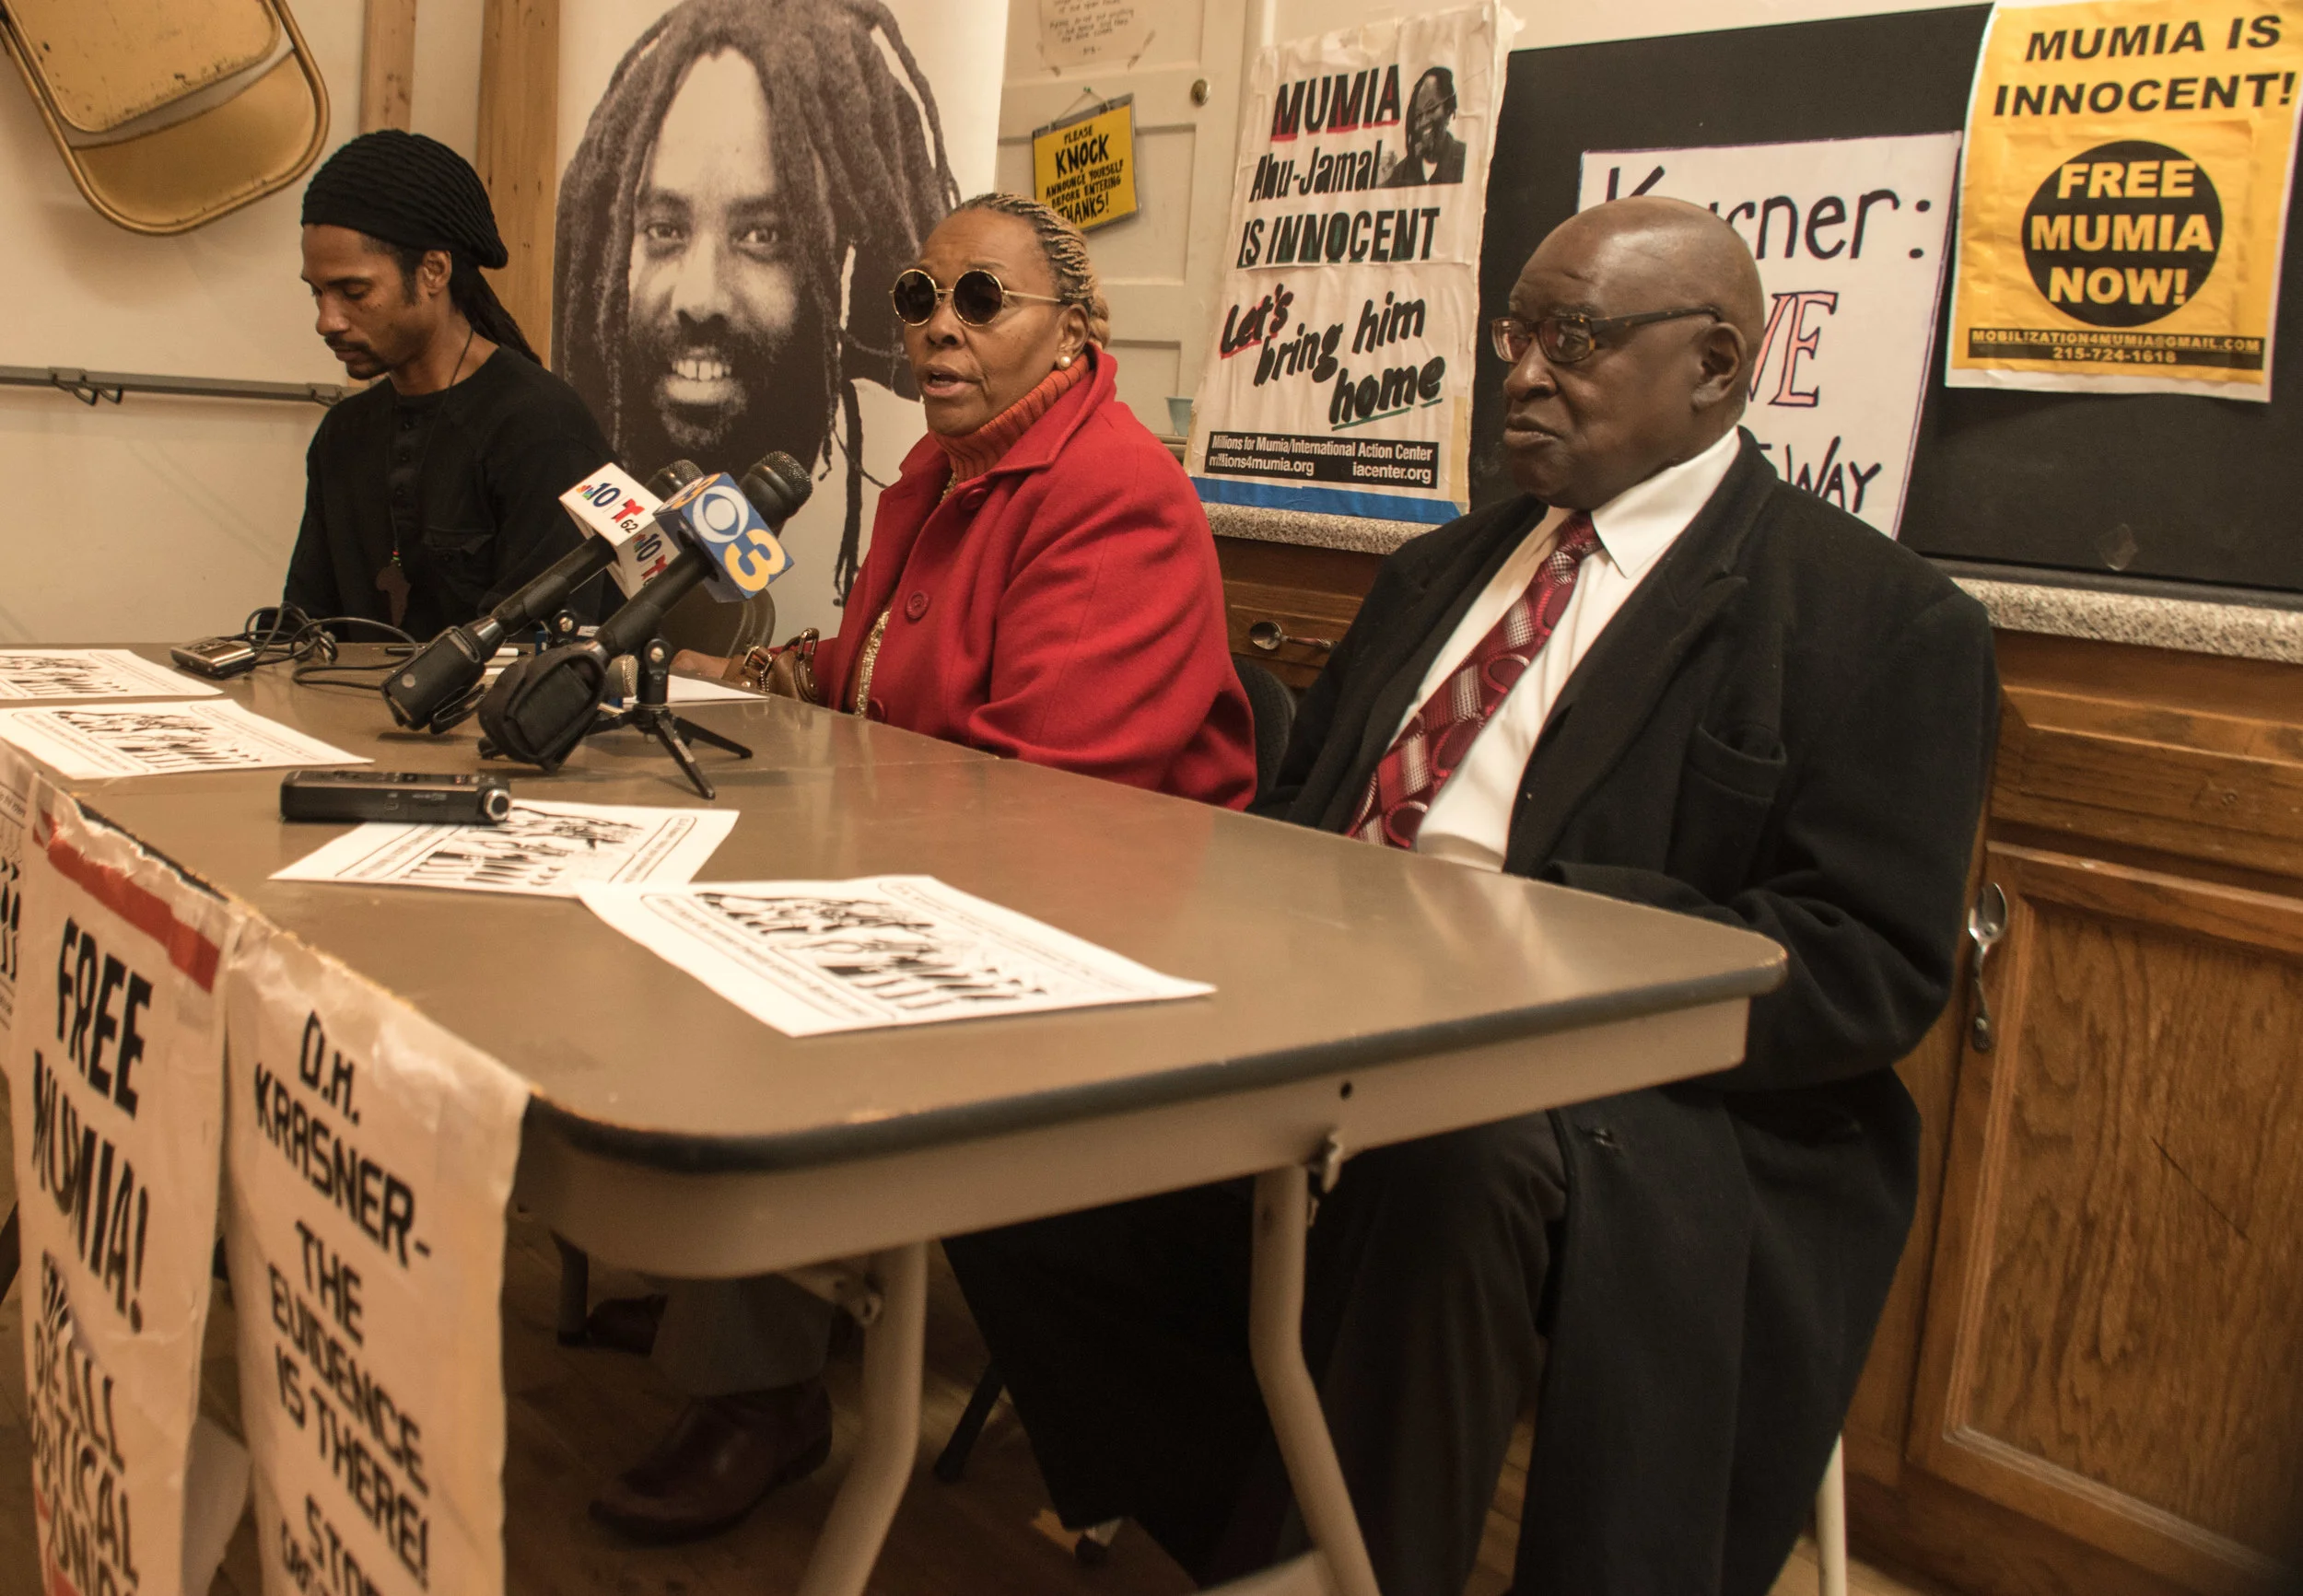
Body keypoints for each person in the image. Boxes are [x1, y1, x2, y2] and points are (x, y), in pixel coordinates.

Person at [943, 196, 2000, 1595]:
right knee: (1007, 1101)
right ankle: (1254, 1524)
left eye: (1574, 336)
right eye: (1515, 331)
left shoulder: (1879, 623)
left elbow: (1868, 966)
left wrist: (1523, 936)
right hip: (1326, 1010)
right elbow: (1300, 819)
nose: (1520, 369)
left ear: (1718, 367)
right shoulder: (1442, 567)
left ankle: (1344, 1564)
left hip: (1633, 1092)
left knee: (1449, 1153)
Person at [587, 192, 1257, 1545]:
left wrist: (821, 801)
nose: (937, 329)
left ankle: (761, 1385)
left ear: (1072, 334)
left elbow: (1038, 787)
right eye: (916, 298)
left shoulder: (1117, 493)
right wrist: (721, 675)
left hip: (1098, 926)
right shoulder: (933, 477)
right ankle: (744, 1293)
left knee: (760, 995)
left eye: (979, 302)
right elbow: (870, 680)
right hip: (949, 869)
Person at [555, 0, 959, 642]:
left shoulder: (926, 469)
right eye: (663, 228)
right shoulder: (566, 454)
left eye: (763, 234)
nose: (700, 295)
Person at [286, 131, 611, 639]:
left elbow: (540, 658)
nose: (327, 321)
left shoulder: (541, 428)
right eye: (317, 294)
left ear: (433, 271)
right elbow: (302, 631)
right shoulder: (343, 434)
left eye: (353, 292)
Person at [1380, 66, 1467, 188]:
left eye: (1431, 109)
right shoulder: (1400, 173)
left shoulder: (1465, 159)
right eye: (1418, 115)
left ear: (1448, 110)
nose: (1423, 121)